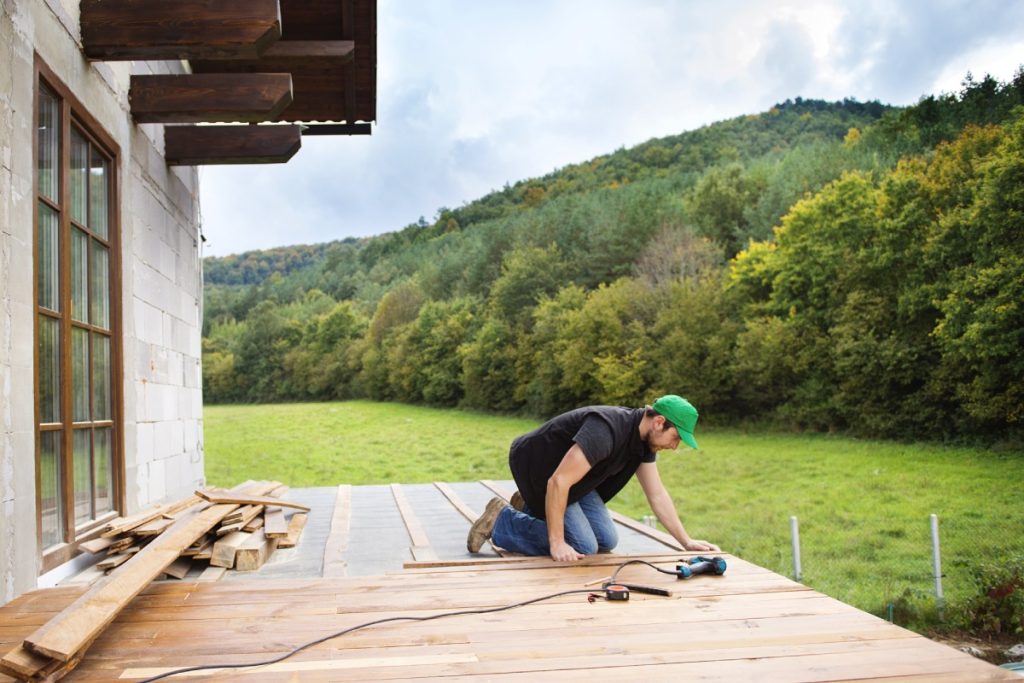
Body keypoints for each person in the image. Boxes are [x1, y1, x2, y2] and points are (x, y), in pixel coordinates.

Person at [467, 395, 720, 561]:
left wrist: (686, 542)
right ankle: (502, 520)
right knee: (583, 545)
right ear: (659, 422)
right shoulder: (607, 430)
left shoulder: (643, 443)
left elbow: (656, 494)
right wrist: (556, 543)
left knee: (607, 540)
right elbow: (558, 482)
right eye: (676, 438)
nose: (675, 446)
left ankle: (533, 507)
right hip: (540, 467)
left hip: (575, 479)